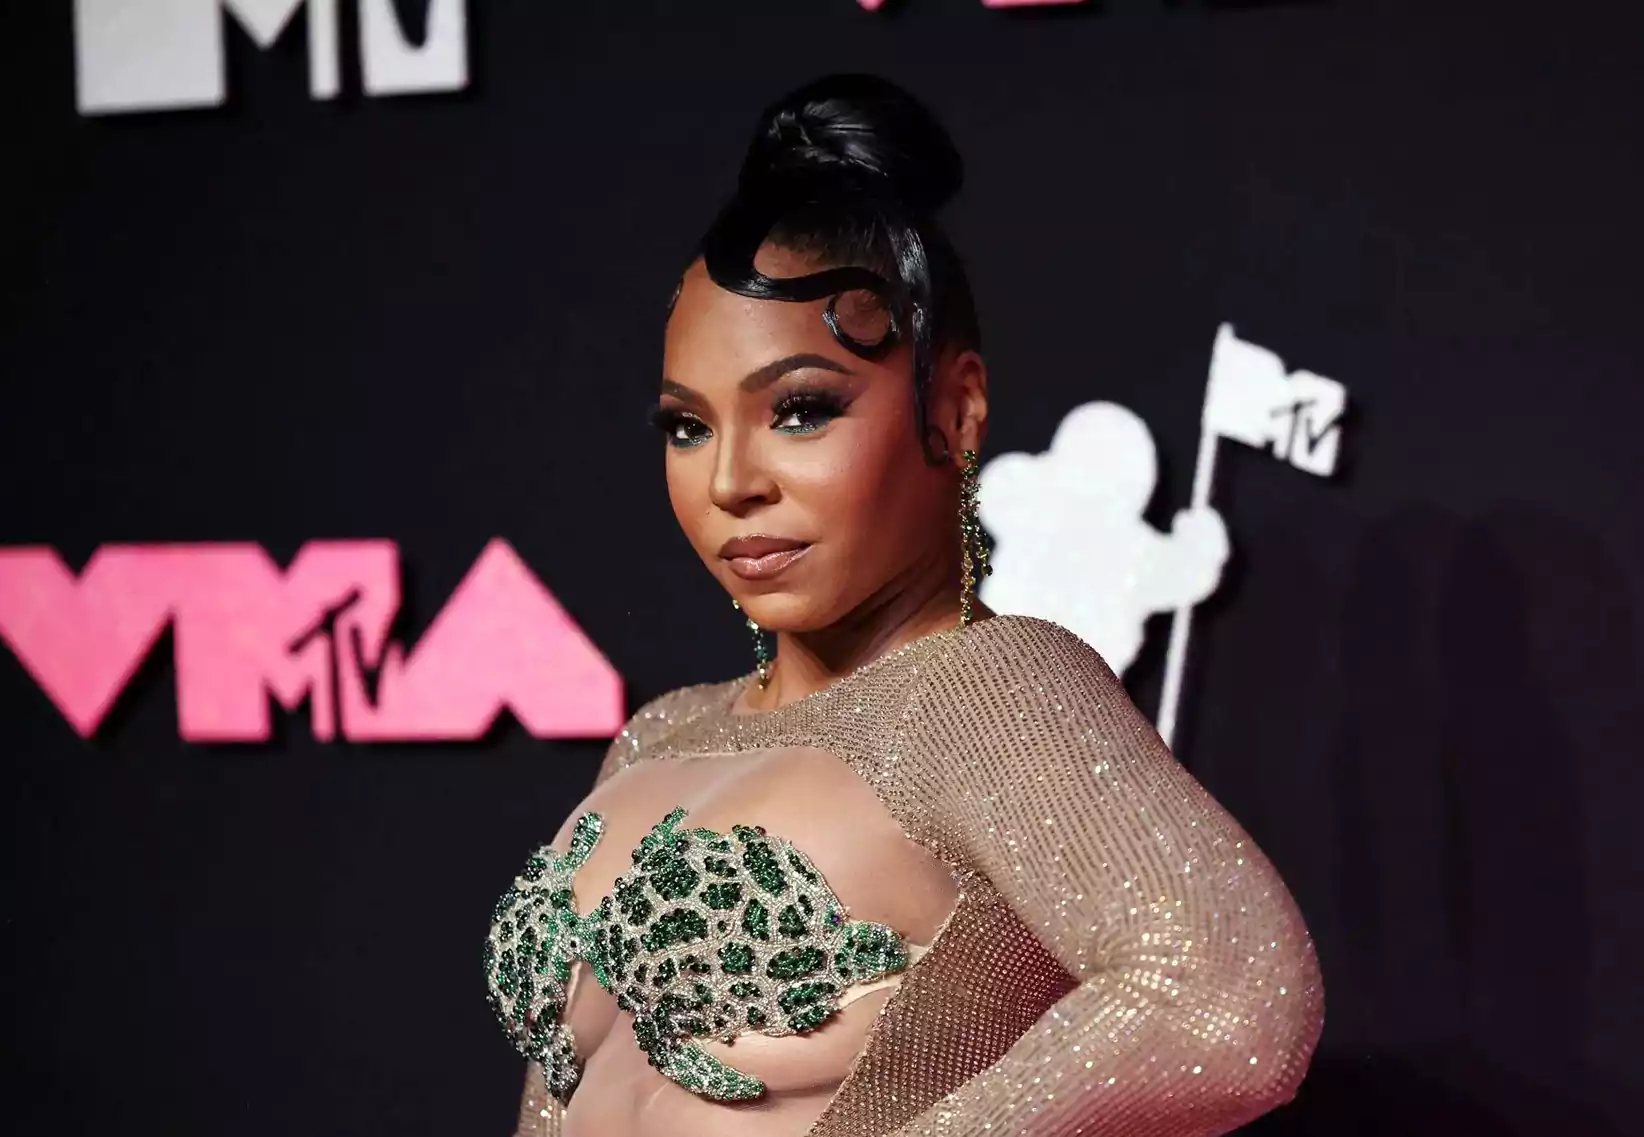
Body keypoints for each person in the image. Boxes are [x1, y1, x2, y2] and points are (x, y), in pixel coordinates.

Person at [483, 74, 1323, 1137]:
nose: (731, 480)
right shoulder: (657, 736)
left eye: (801, 409)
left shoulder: (983, 694)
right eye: (687, 427)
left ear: (957, 409)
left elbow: (1226, 996)